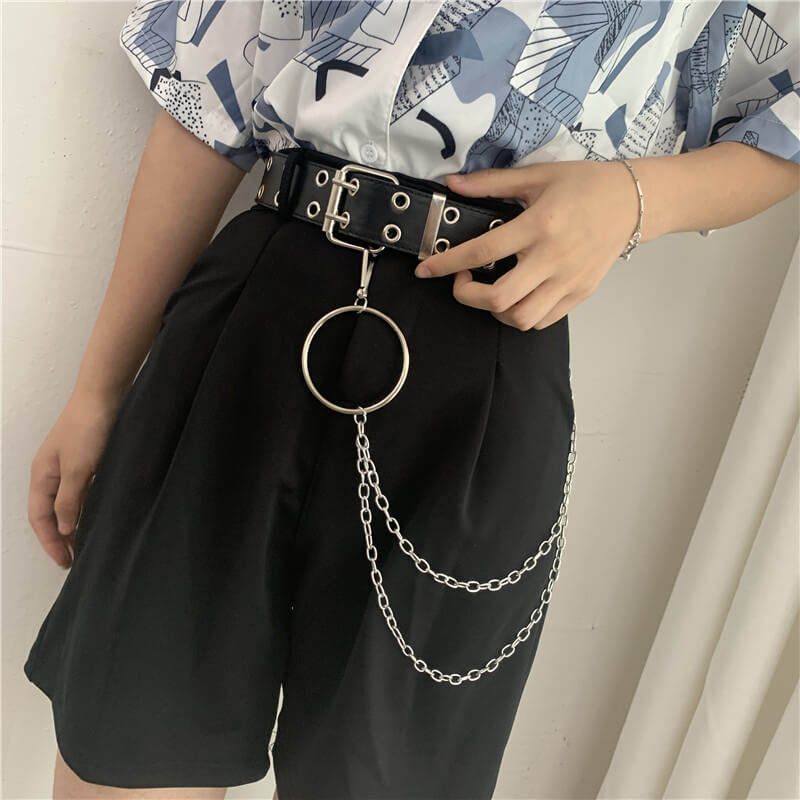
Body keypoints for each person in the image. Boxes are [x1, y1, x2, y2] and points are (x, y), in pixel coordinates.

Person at [24, 1, 799, 797]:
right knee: (131, 745)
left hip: (484, 356)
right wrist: (96, 392)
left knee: (389, 779)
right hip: (251, 317)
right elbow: (209, 95)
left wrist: (635, 200)